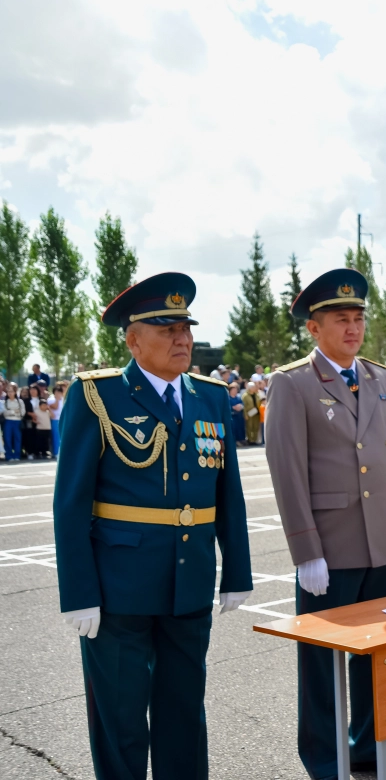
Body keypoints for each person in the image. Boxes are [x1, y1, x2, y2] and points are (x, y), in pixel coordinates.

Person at [53, 272, 253, 779]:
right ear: (133, 338)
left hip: (188, 581)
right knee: (120, 716)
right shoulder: (98, 396)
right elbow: (71, 503)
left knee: (184, 711)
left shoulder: (209, 396)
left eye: (185, 327)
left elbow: (227, 493)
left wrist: (236, 572)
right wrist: (78, 591)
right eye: (166, 329)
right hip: (119, 586)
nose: (181, 338)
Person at [264, 267, 386, 779]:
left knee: (378, 655)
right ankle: (325, 757)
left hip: (379, 541)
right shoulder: (292, 384)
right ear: (314, 327)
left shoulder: (381, 379)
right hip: (330, 547)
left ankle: (368, 746)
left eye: (358, 318)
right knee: (322, 662)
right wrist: (305, 549)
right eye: (340, 319)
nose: (353, 328)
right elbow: (286, 470)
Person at [3, 382, 21, 461]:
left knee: (18, 439)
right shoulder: (5, 402)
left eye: (12, 391)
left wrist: (10, 411)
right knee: (7, 439)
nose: (10, 393)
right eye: (8, 391)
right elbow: (5, 413)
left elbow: (22, 412)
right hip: (8, 421)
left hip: (17, 421)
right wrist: (14, 412)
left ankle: (17, 455)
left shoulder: (20, 402)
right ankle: (9, 455)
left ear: (15, 392)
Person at [242, 380, 263, 445]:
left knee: (256, 427)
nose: (255, 388)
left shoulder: (257, 395)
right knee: (249, 427)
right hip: (249, 413)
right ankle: (250, 440)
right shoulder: (245, 396)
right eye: (253, 387)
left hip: (256, 413)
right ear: (250, 388)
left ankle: (254, 440)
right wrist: (245, 414)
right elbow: (244, 406)